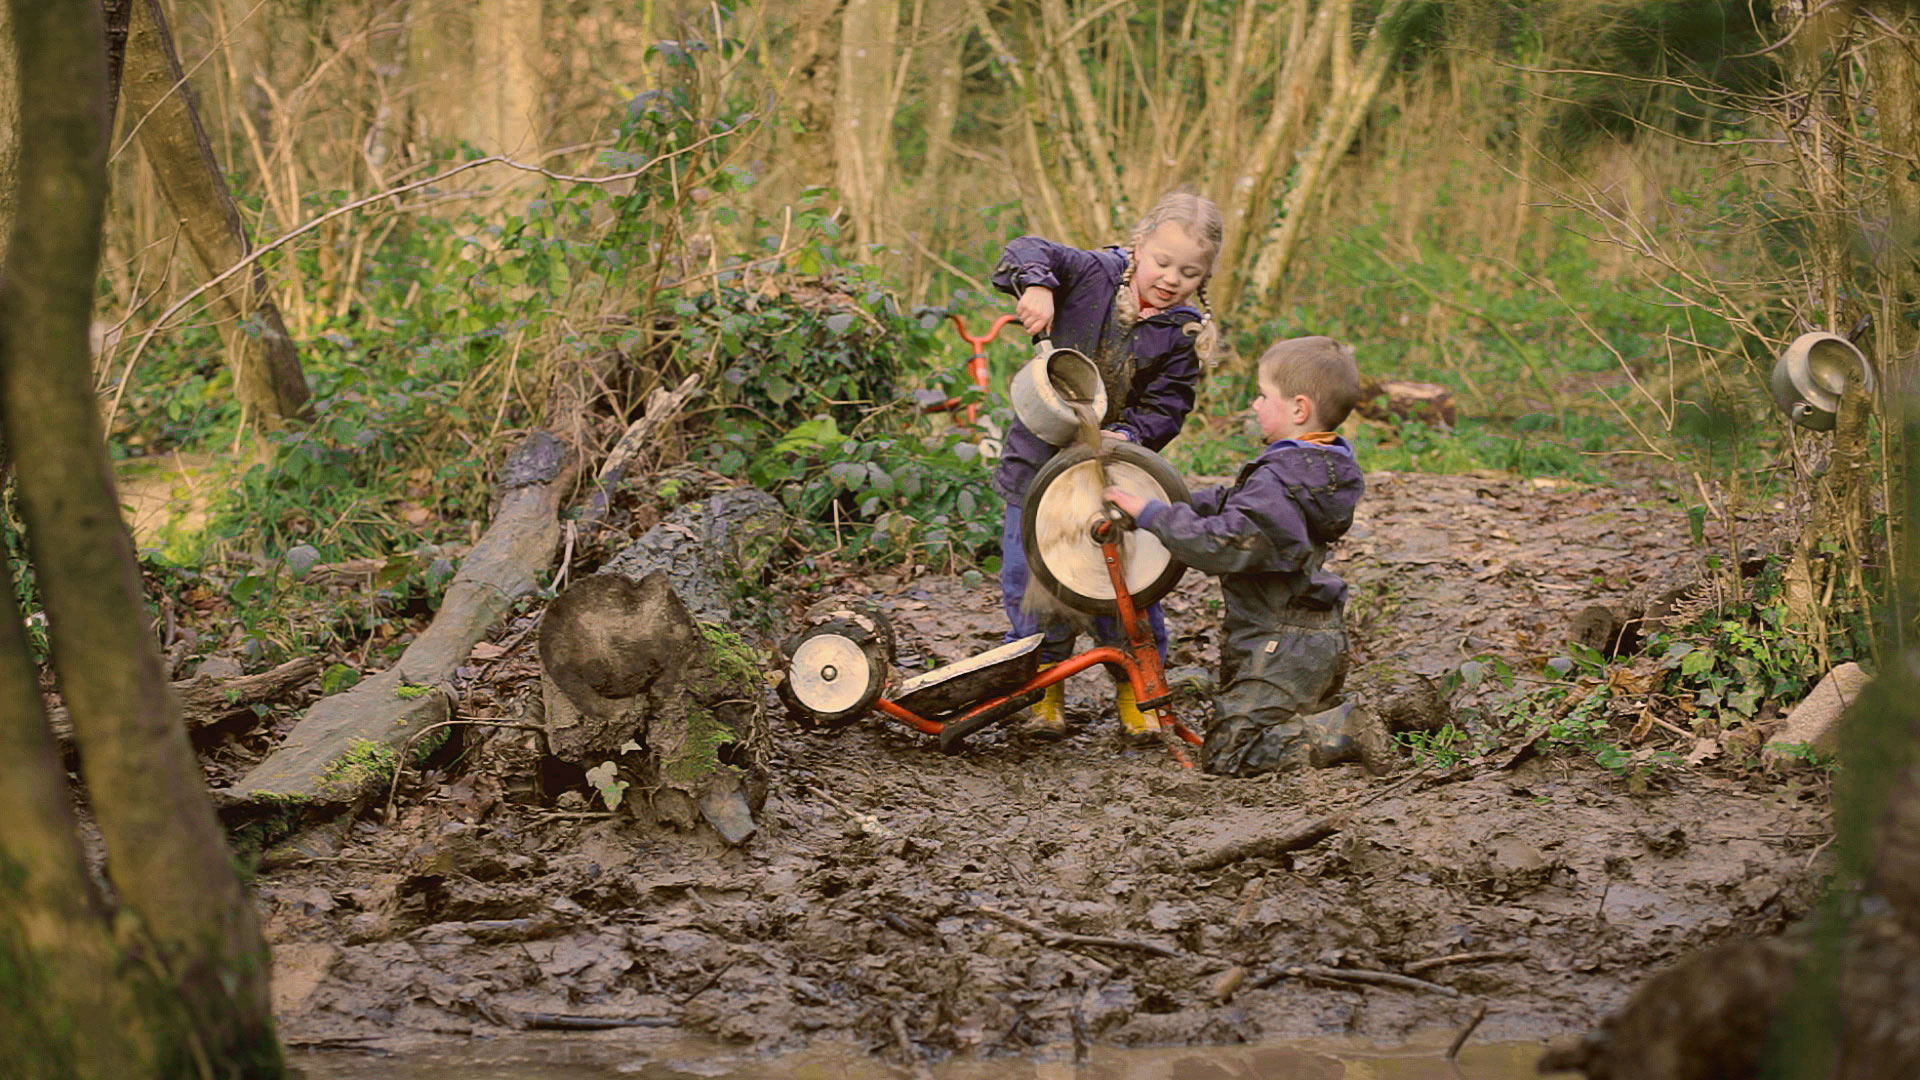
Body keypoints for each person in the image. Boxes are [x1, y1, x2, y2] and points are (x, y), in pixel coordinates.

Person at [989, 191, 1223, 737]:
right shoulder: (1091, 273)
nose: (1171, 279)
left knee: (1124, 580)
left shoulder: (1182, 332)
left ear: (1205, 275)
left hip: (1112, 473)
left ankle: (1137, 692)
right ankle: (1043, 689)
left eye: (1189, 272)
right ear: (1139, 246)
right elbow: (1024, 249)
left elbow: (1169, 406)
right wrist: (1041, 287)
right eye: (1162, 262)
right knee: (1032, 576)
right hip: (1037, 468)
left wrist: (1128, 435)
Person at [1104, 335, 1380, 776]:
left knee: (1231, 753)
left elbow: (1226, 542)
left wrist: (1154, 515)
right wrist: (1170, 499)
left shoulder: (1280, 479)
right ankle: (1332, 717)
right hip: (1305, 634)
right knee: (1255, 710)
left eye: (1263, 394)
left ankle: (1346, 730)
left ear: (1299, 409)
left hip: (1281, 641)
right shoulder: (1314, 468)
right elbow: (1232, 502)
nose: (1254, 404)